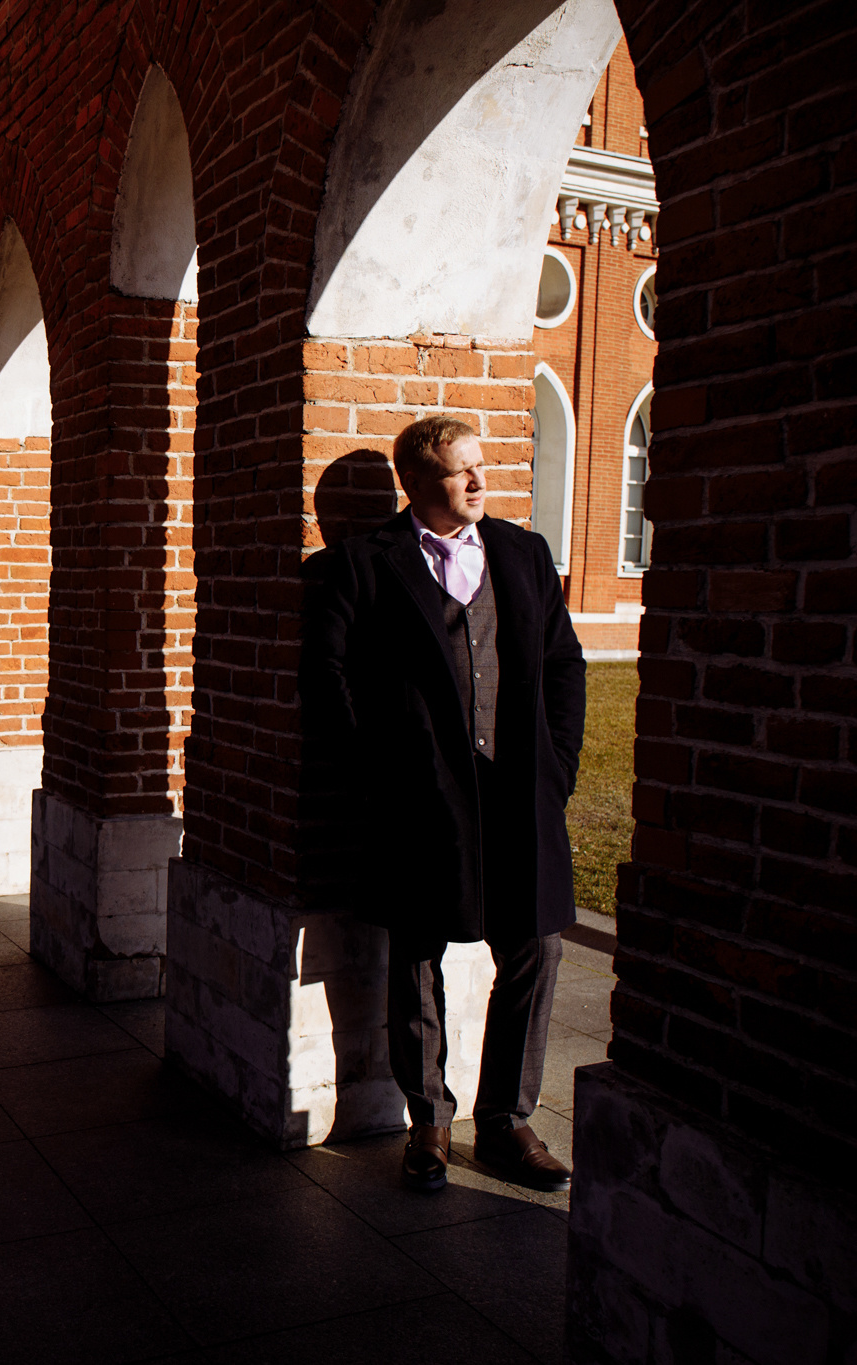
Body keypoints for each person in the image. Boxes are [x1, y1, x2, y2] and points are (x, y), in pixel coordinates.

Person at [305, 415, 587, 1192]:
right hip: (420, 799)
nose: (478, 480)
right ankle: (427, 1119)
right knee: (419, 953)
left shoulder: (525, 553)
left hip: (520, 794)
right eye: (460, 471)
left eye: (480, 465)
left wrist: (556, 767)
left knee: (538, 945)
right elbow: (327, 676)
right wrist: (377, 772)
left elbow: (565, 665)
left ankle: (504, 1121)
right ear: (416, 483)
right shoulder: (363, 565)